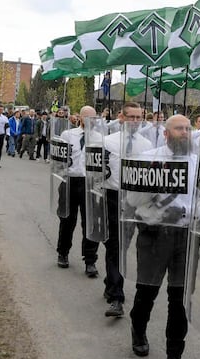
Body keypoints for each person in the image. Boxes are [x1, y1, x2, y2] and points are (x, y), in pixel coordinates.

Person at [127, 114, 196, 359]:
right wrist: (157, 192)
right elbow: (133, 199)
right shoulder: (149, 158)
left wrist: (188, 212)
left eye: (188, 129)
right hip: (154, 235)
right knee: (147, 291)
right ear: (166, 134)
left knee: (179, 299)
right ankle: (138, 327)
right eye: (179, 128)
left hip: (185, 237)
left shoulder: (198, 163)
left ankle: (174, 357)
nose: (185, 132)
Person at [101, 102, 152, 319]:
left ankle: (110, 281)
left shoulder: (148, 145)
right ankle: (116, 296)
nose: (134, 121)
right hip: (113, 197)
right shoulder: (108, 141)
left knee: (125, 244)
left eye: (138, 117)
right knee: (115, 245)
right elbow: (97, 170)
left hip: (135, 201)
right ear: (121, 117)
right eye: (130, 117)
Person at [56, 106, 100, 276]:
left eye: (94, 118)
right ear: (80, 118)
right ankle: (63, 253)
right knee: (67, 219)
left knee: (90, 222)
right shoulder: (68, 135)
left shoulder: (100, 138)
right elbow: (59, 159)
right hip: (70, 181)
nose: (91, 121)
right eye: (88, 118)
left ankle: (90, 260)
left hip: (89, 183)